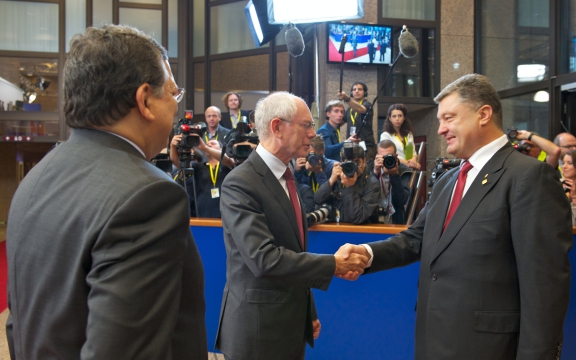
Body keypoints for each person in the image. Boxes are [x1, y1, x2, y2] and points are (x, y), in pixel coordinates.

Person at [5, 25, 207, 359]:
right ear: (144, 100)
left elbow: (21, 323)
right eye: (173, 94)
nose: (176, 108)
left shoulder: (36, 178)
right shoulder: (148, 197)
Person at [340, 74, 572, 360]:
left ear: (483, 114)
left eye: (448, 118)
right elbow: (416, 240)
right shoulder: (449, 180)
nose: (440, 130)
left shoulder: (529, 177)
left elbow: (545, 290)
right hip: (433, 343)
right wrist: (366, 253)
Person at [215, 92, 369, 360]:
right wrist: (333, 264)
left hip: (288, 324)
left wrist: (307, 311)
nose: (313, 134)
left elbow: (293, 251)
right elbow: (264, 259)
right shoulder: (241, 182)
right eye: (306, 125)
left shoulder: (287, 177)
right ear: (277, 127)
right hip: (258, 332)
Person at [314, 143, 381, 225]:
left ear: (364, 161)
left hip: (362, 233)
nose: (353, 166)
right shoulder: (339, 177)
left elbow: (358, 218)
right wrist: (331, 180)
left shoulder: (372, 184)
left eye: (356, 162)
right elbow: (318, 200)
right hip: (337, 229)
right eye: (348, 163)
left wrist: (349, 187)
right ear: (341, 162)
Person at [170, 134, 234, 218]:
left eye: (213, 144)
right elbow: (178, 164)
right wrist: (172, 146)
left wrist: (205, 147)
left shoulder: (226, 166)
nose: (209, 145)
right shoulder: (199, 167)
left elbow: (228, 161)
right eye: (207, 144)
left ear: (221, 149)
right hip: (204, 217)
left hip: (226, 217)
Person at [372, 140, 411, 224]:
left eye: (389, 157)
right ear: (377, 157)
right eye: (383, 157)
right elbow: (368, 198)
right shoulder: (369, 170)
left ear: (396, 156)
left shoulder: (404, 172)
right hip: (373, 221)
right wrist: (375, 173)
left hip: (395, 221)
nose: (387, 160)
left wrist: (395, 175)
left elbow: (401, 201)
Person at [337, 82, 376, 161]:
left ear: (365, 92)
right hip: (352, 144)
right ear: (351, 92)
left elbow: (360, 109)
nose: (357, 91)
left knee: (366, 168)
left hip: (366, 145)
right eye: (354, 89)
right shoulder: (349, 109)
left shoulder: (367, 105)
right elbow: (338, 123)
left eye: (360, 89)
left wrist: (346, 98)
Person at [380, 103, 421, 169]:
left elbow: (414, 153)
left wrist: (413, 161)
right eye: (394, 116)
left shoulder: (408, 134)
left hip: (409, 169)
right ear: (390, 118)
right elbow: (388, 156)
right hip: (394, 168)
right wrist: (409, 164)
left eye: (400, 116)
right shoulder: (386, 135)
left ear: (404, 118)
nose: (397, 119)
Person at [561, 149, 576, 225]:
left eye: (569, 163)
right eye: (563, 163)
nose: (564, 166)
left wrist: (574, 197)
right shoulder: (557, 183)